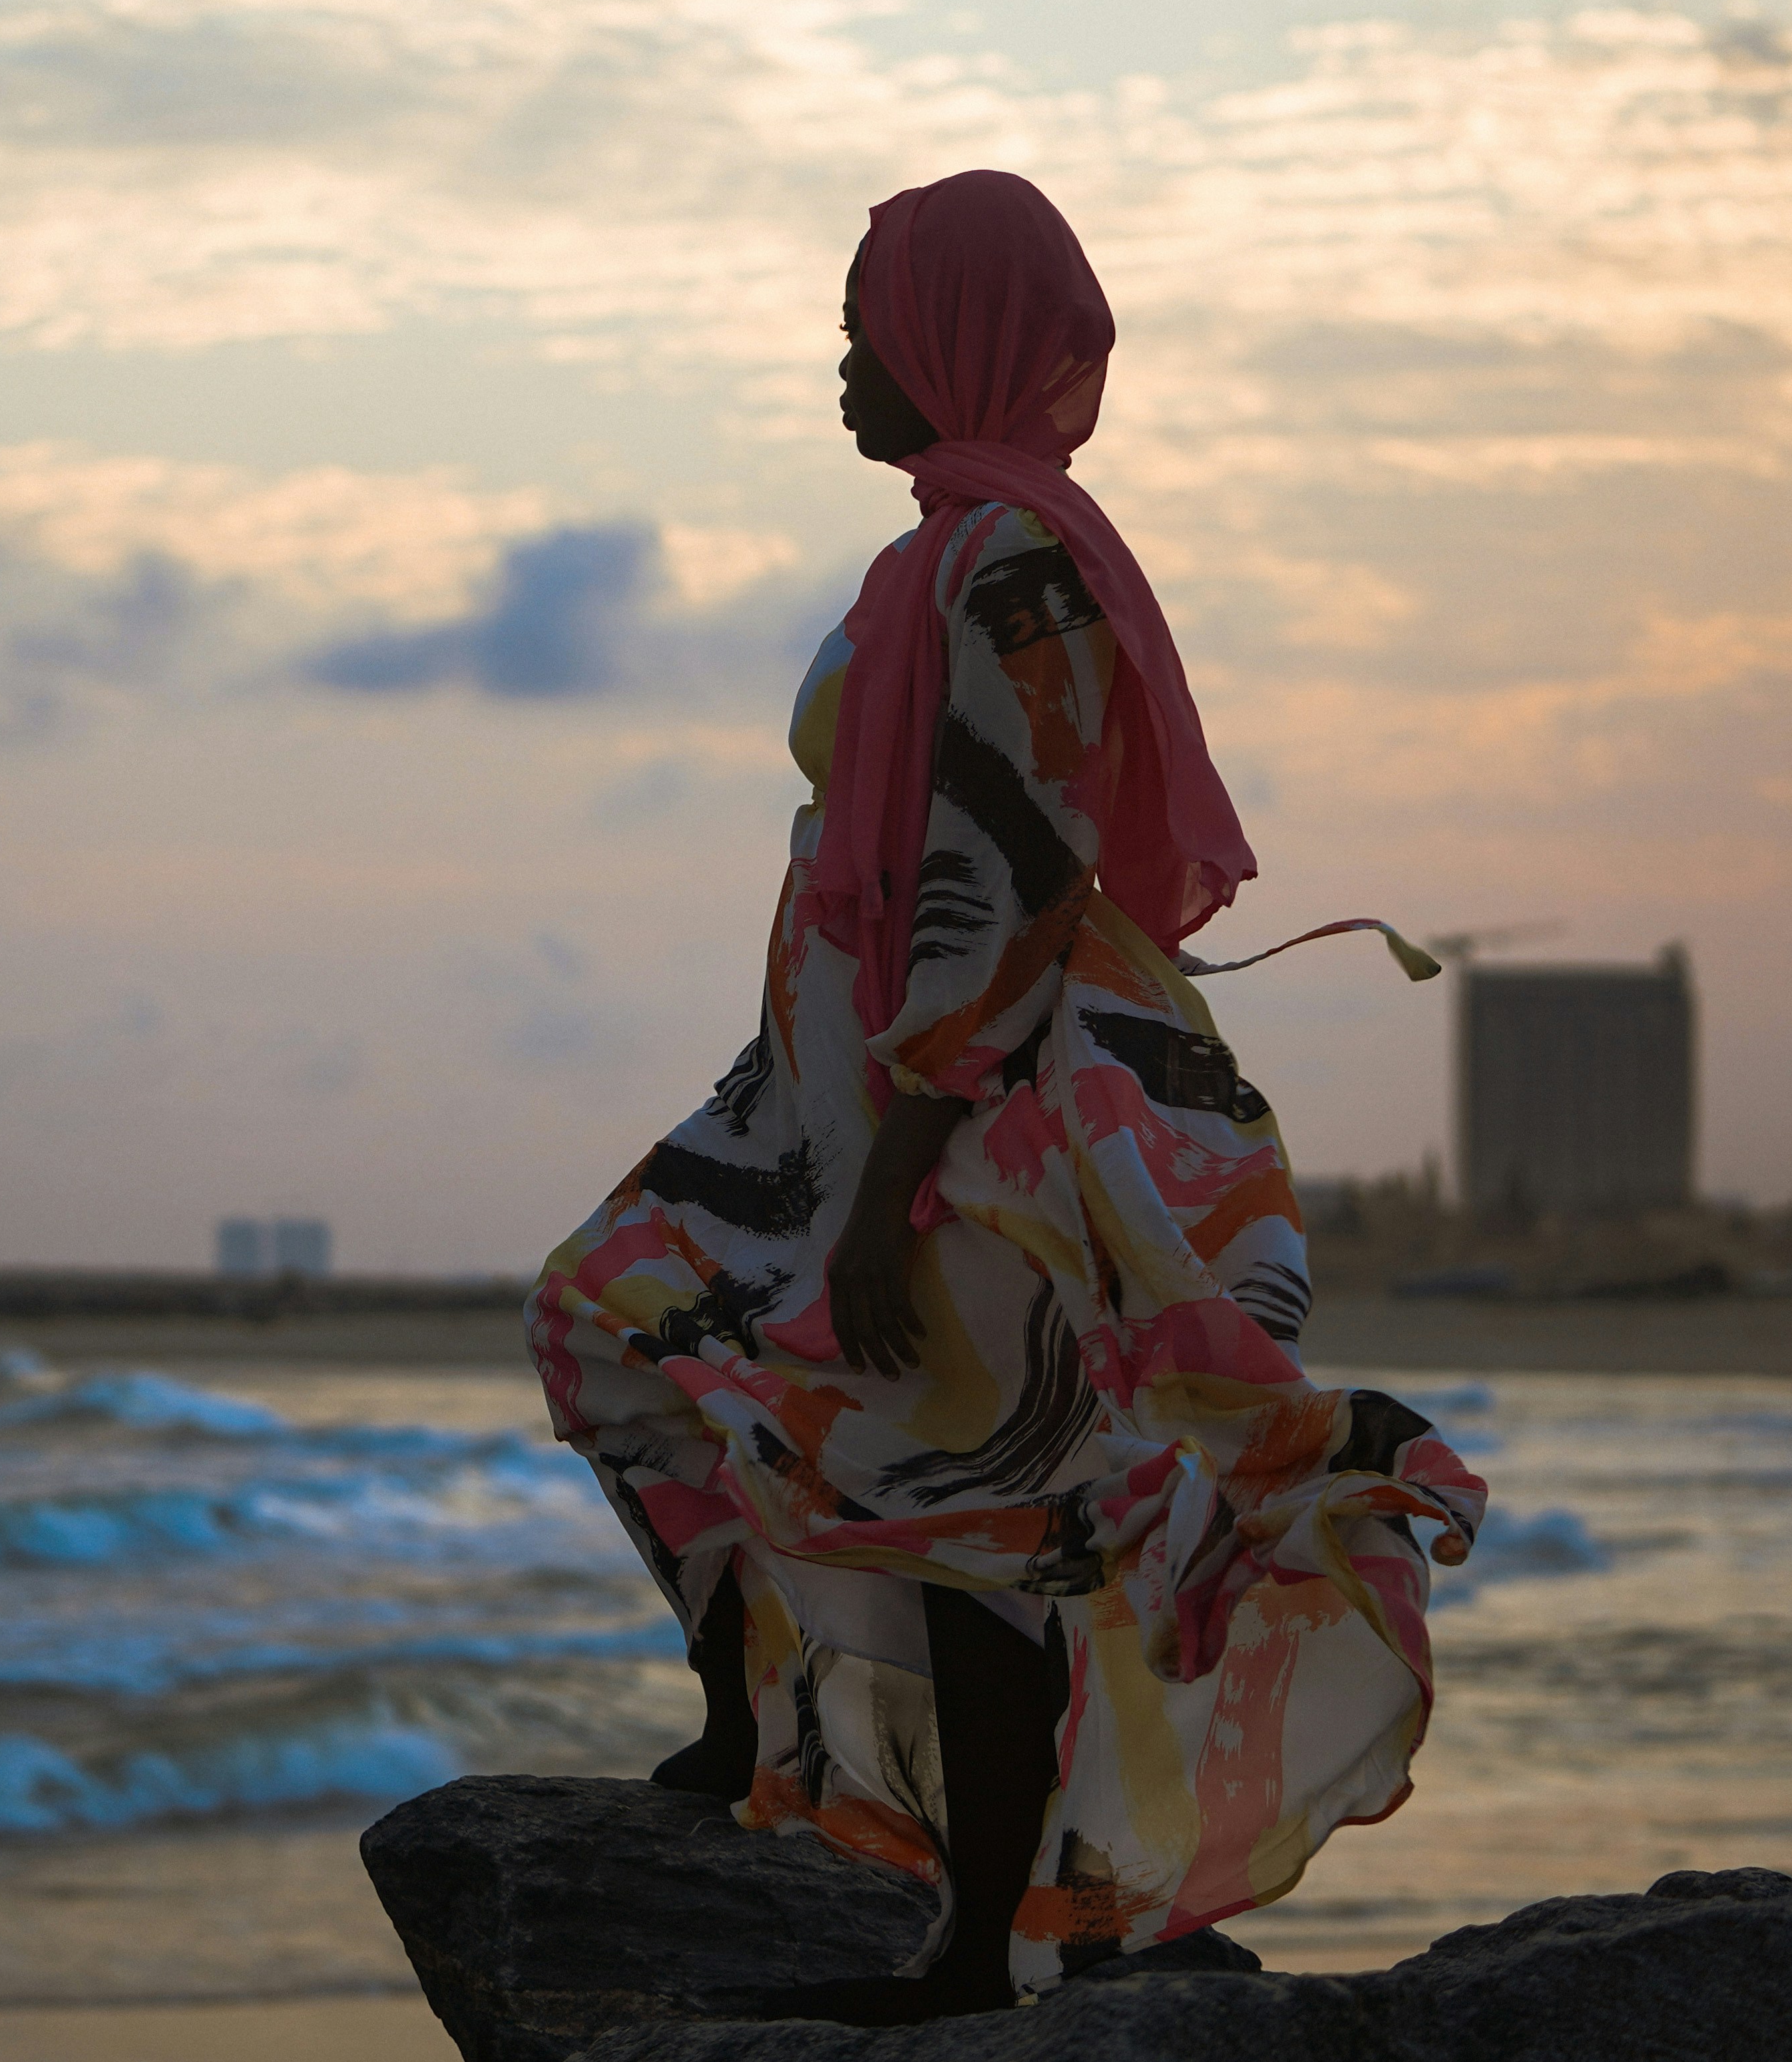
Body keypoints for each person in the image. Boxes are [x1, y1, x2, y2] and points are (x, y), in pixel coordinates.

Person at [527, 170, 1486, 2021]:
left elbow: (1021, 860)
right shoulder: (932, 553)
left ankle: (974, 1938)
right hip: (822, 1087)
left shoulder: (1012, 563)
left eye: (860, 323)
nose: (837, 362)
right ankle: (754, 1724)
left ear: (945, 338)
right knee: (608, 1312)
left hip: (961, 1096)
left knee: (967, 1502)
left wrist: (903, 1162)